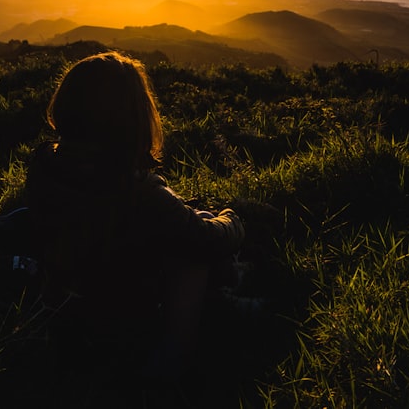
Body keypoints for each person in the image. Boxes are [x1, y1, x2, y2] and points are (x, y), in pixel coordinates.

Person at [25, 51, 245, 377]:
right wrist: (232, 219)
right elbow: (208, 240)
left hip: (64, 320)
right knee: (191, 254)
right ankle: (167, 371)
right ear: (133, 117)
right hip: (124, 334)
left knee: (183, 225)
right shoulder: (134, 191)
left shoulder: (46, 169)